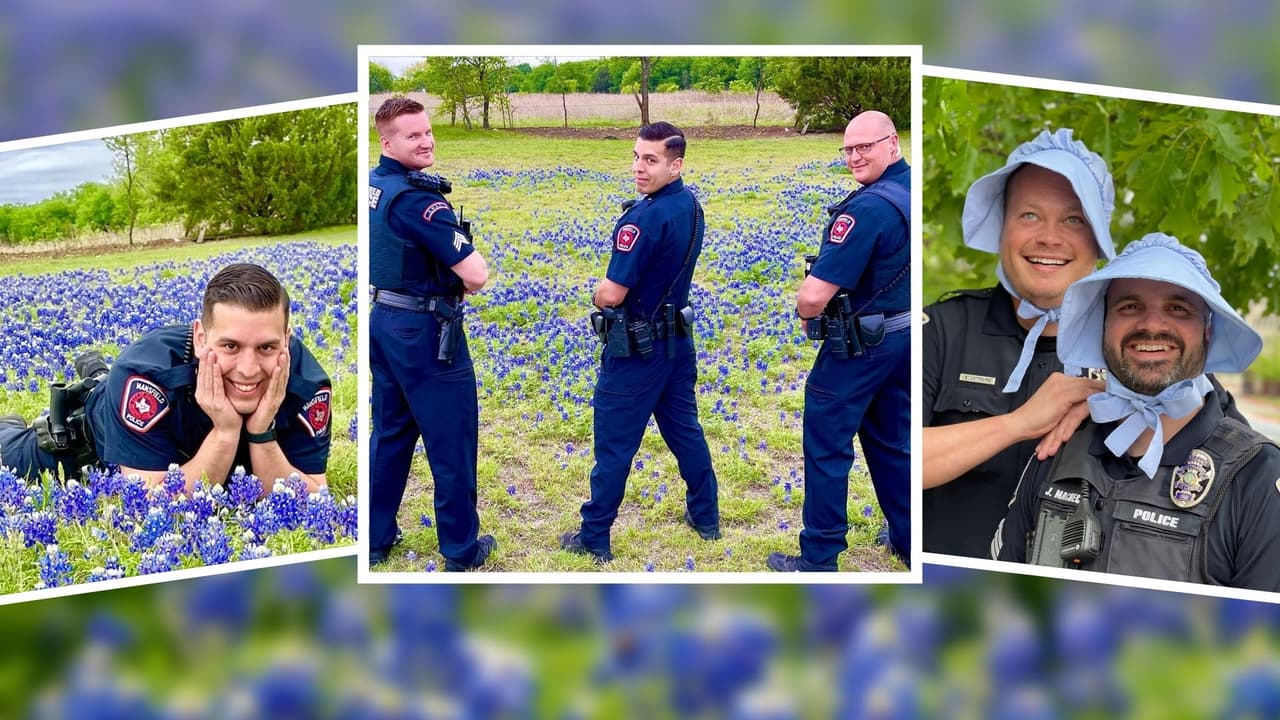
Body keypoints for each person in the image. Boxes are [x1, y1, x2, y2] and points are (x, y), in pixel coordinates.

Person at [995, 234, 1280, 591]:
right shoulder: (1058, 448)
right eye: (1130, 307)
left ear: (1208, 331)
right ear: (1103, 325)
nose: (1152, 325)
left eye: (1178, 308)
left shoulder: (1256, 476)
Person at [922, 129, 1115, 558]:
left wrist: (1131, 395)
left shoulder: (1138, 350)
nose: (1049, 237)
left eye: (1074, 219)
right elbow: (896, 461)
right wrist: (1017, 424)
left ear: (1099, 237)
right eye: (1028, 215)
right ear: (1000, 226)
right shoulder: (941, 329)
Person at [0, 262, 332, 495]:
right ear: (200, 337)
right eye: (230, 345)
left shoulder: (308, 383)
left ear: (286, 339)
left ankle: (98, 374)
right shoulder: (146, 376)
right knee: (11, 458)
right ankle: (70, 399)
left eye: (267, 347)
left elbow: (315, 495)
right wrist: (227, 431)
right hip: (93, 442)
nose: (247, 368)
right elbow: (153, 502)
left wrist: (261, 433)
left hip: (192, 451)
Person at [559, 121, 720, 563]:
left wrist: (596, 292)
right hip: (676, 343)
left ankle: (594, 535)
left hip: (635, 349)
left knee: (614, 444)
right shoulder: (691, 205)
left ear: (676, 164)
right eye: (635, 156)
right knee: (686, 431)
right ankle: (706, 516)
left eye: (650, 160)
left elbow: (612, 293)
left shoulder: (643, 219)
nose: (638, 167)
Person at [767, 110, 912, 572]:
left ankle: (819, 557)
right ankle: (911, 539)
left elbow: (814, 296)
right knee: (892, 443)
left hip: (859, 347)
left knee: (828, 444)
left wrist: (805, 312)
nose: (854, 156)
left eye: (864, 147)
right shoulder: (913, 191)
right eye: (848, 149)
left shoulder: (867, 208)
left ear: (893, 143)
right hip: (906, 336)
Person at [367, 96, 494, 571]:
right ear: (387, 140)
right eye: (413, 135)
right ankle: (461, 551)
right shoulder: (419, 200)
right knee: (451, 440)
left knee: (392, 434)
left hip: (385, 320)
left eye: (427, 131)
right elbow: (476, 274)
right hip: (425, 330)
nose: (426, 141)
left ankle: (376, 539)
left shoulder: (377, 185)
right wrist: (461, 274)